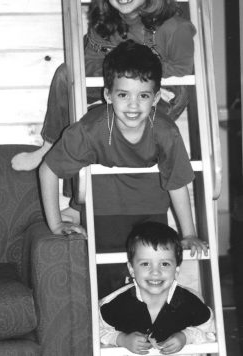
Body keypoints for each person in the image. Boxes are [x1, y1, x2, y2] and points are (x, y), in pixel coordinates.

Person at [11, 0, 196, 177]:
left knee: (104, 127)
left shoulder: (173, 26)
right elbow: (86, 61)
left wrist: (135, 70)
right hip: (114, 88)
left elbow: (182, 70)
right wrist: (115, 70)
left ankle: (81, 206)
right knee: (68, 76)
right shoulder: (105, 26)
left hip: (154, 96)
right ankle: (50, 147)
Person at [39, 40, 208, 297]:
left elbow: (176, 183)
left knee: (155, 276)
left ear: (156, 98)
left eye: (143, 95)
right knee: (111, 283)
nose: (133, 105)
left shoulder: (165, 130)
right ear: (108, 95)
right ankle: (114, 334)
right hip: (106, 211)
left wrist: (190, 233)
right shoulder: (91, 128)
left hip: (151, 210)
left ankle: (153, 328)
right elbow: (48, 169)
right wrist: (55, 225)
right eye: (123, 94)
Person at [99, 221, 215, 355]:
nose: (155, 272)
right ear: (131, 269)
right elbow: (96, 331)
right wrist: (122, 339)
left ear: (176, 269)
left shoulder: (189, 302)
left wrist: (185, 337)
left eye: (165, 264)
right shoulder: (116, 304)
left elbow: (209, 330)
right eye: (145, 264)